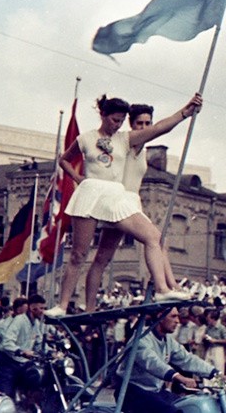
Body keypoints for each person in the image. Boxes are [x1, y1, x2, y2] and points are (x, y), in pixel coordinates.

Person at [47, 94, 203, 316]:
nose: (117, 125)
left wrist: (184, 113)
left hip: (115, 196)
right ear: (103, 115)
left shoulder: (125, 139)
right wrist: (78, 178)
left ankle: (163, 289)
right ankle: (62, 306)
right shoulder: (86, 138)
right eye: (114, 120)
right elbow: (64, 159)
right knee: (78, 255)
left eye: (121, 121)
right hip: (90, 193)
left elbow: (159, 128)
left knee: (153, 237)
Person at [83, 103, 156, 312]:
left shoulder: (143, 149)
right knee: (157, 240)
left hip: (130, 203)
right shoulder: (127, 144)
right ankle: (166, 288)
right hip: (119, 203)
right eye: (139, 123)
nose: (144, 128)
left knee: (102, 258)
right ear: (131, 125)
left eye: (148, 124)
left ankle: (90, 307)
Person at [116, 307, 224, 413]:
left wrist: (217, 374)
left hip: (154, 391)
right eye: (173, 316)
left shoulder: (167, 340)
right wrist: (179, 377)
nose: (177, 321)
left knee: (187, 405)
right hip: (131, 391)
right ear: (160, 317)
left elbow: (188, 359)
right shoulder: (141, 338)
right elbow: (153, 363)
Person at [0, 294, 48, 397]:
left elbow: (39, 342)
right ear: (32, 308)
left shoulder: (36, 323)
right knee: (6, 394)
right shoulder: (19, 320)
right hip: (8, 362)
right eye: (41, 308)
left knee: (34, 384)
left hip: (23, 362)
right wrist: (21, 351)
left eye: (44, 308)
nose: (43, 311)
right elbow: (7, 342)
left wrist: (51, 352)